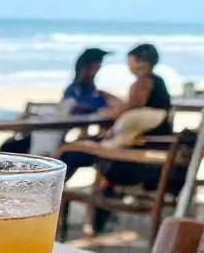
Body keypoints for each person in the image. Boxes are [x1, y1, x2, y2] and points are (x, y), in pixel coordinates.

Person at [59, 43, 179, 236]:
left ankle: (67, 203)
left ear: (140, 62)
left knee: (74, 154)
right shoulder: (157, 86)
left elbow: (128, 108)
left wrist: (107, 117)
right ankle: (91, 217)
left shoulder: (143, 83)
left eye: (130, 62)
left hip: (136, 160)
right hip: (147, 152)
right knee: (85, 153)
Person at [0, 47, 117, 153]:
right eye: (95, 65)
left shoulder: (91, 90)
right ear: (86, 66)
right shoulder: (75, 90)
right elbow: (79, 110)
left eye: (98, 65)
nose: (98, 68)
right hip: (51, 139)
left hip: (62, 138)